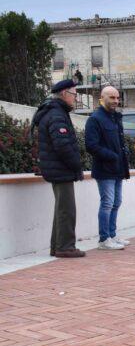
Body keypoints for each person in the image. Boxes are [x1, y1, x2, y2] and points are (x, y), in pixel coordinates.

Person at [32, 79, 85, 258]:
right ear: (64, 93)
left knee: (61, 208)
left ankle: (57, 246)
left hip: (58, 169)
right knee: (67, 210)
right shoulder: (56, 114)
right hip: (61, 169)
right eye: (74, 94)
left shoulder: (56, 111)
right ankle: (65, 247)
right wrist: (76, 165)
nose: (76, 98)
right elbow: (62, 145)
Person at [85, 86, 130, 251]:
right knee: (107, 203)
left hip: (118, 169)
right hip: (104, 169)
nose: (116, 101)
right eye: (112, 97)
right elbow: (91, 145)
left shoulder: (115, 117)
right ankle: (104, 239)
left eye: (117, 98)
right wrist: (112, 156)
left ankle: (112, 235)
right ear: (102, 98)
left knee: (116, 202)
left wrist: (123, 155)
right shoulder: (95, 119)